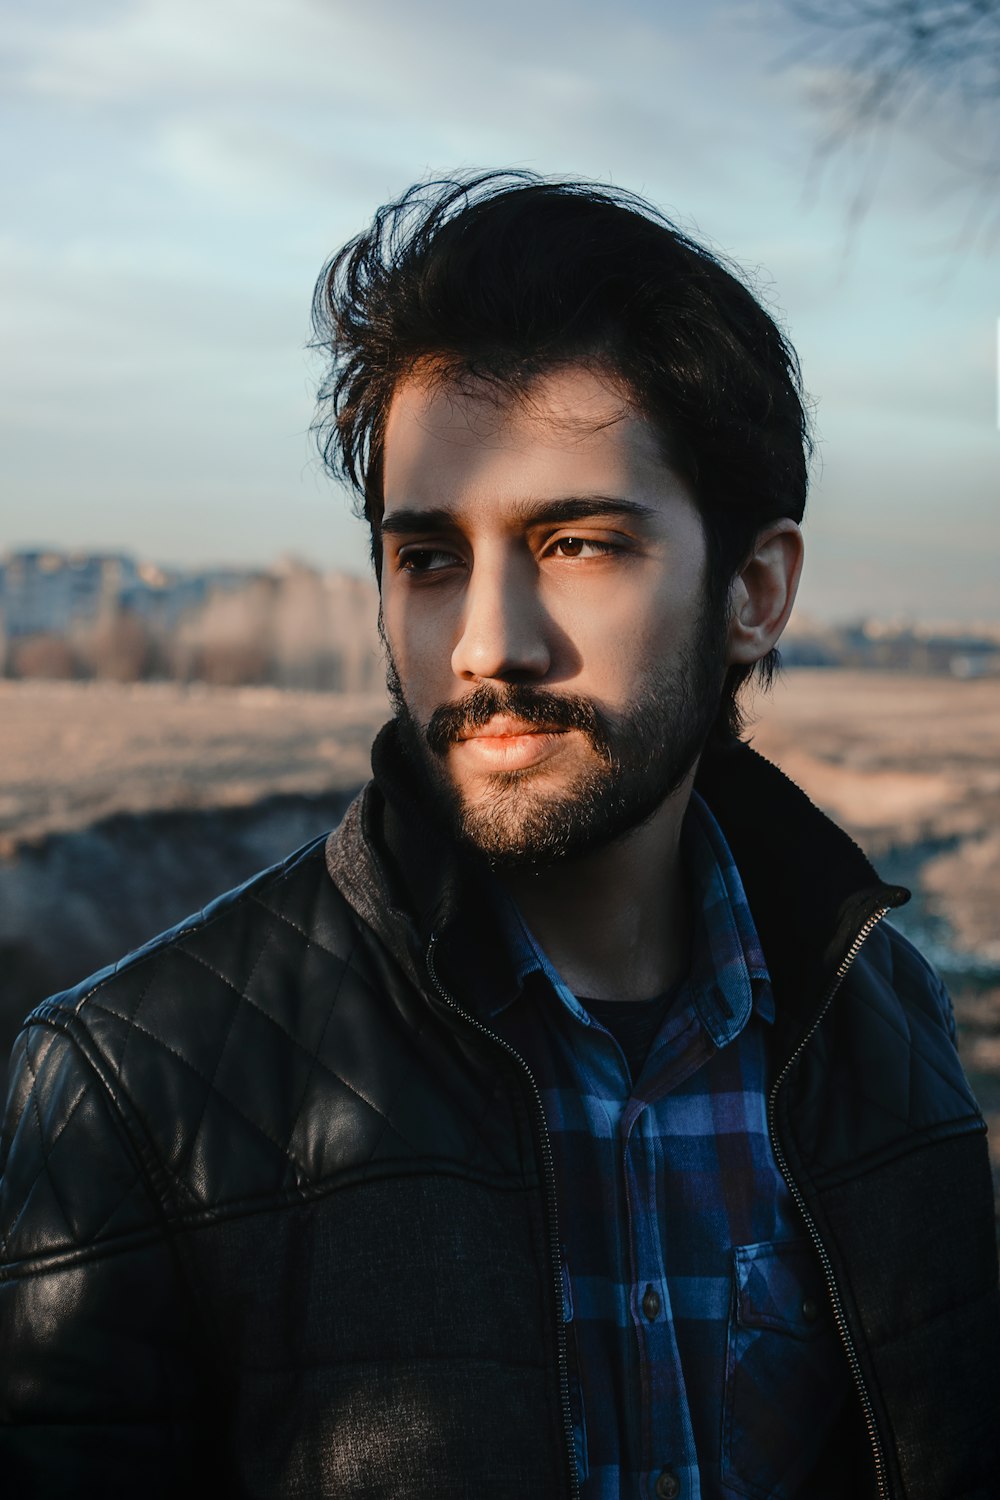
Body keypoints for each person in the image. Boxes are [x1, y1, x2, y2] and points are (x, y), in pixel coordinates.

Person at [1, 173, 997, 1500]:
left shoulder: (893, 1025)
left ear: (755, 593)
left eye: (576, 542)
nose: (487, 646)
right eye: (427, 559)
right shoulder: (129, 1093)